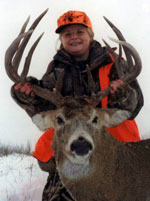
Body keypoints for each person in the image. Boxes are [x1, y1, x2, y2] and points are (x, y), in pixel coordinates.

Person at [11, 10, 143, 201]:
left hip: (113, 142)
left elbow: (134, 105)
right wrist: (27, 95)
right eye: (67, 34)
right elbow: (44, 108)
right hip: (71, 144)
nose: (74, 37)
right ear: (61, 39)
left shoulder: (114, 62)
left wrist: (123, 95)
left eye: (79, 32)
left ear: (90, 34)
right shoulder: (56, 69)